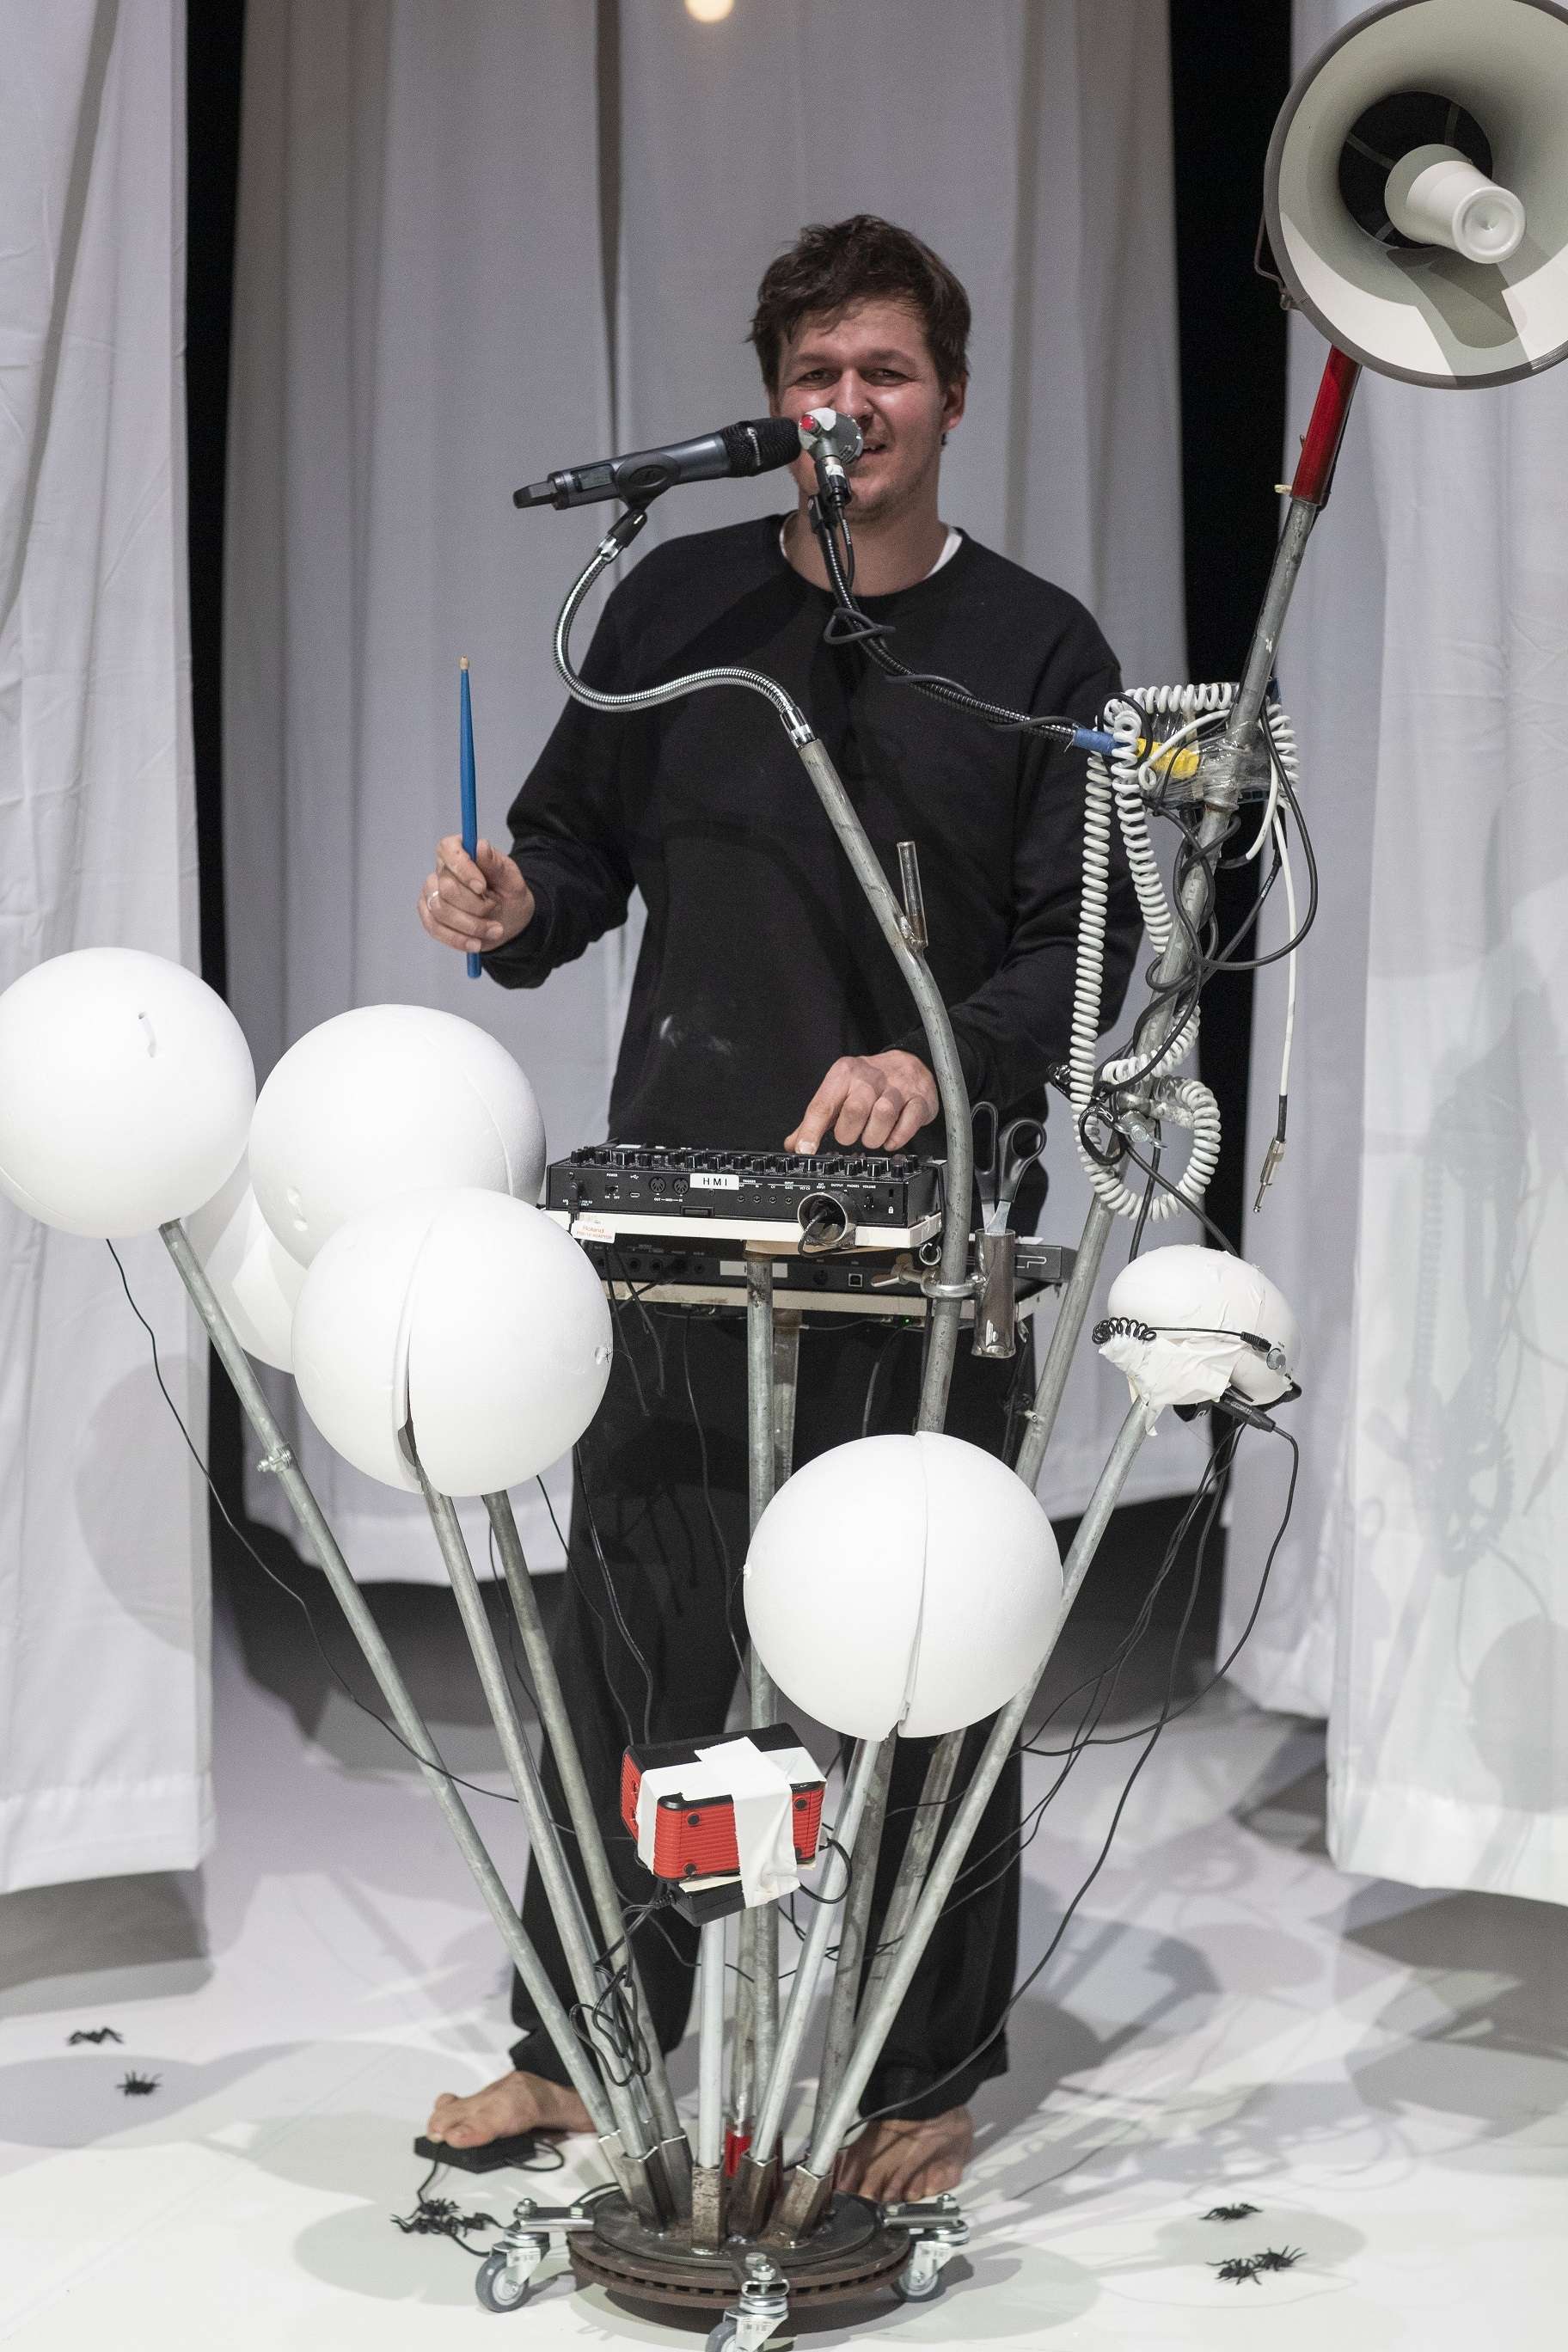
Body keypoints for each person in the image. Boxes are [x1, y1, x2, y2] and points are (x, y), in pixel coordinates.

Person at [417, 215, 1139, 2203]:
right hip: (685, 1209)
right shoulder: (671, 608)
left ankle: (924, 2072)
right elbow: (574, 848)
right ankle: (580, 2047)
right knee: (633, 1642)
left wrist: (943, 1061)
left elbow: (1082, 942)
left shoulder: (1040, 650)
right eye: (817, 378)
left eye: (886, 374)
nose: (850, 410)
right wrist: (512, 910)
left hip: (921, 1228)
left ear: (953, 400)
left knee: (923, 1634)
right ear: (773, 406)